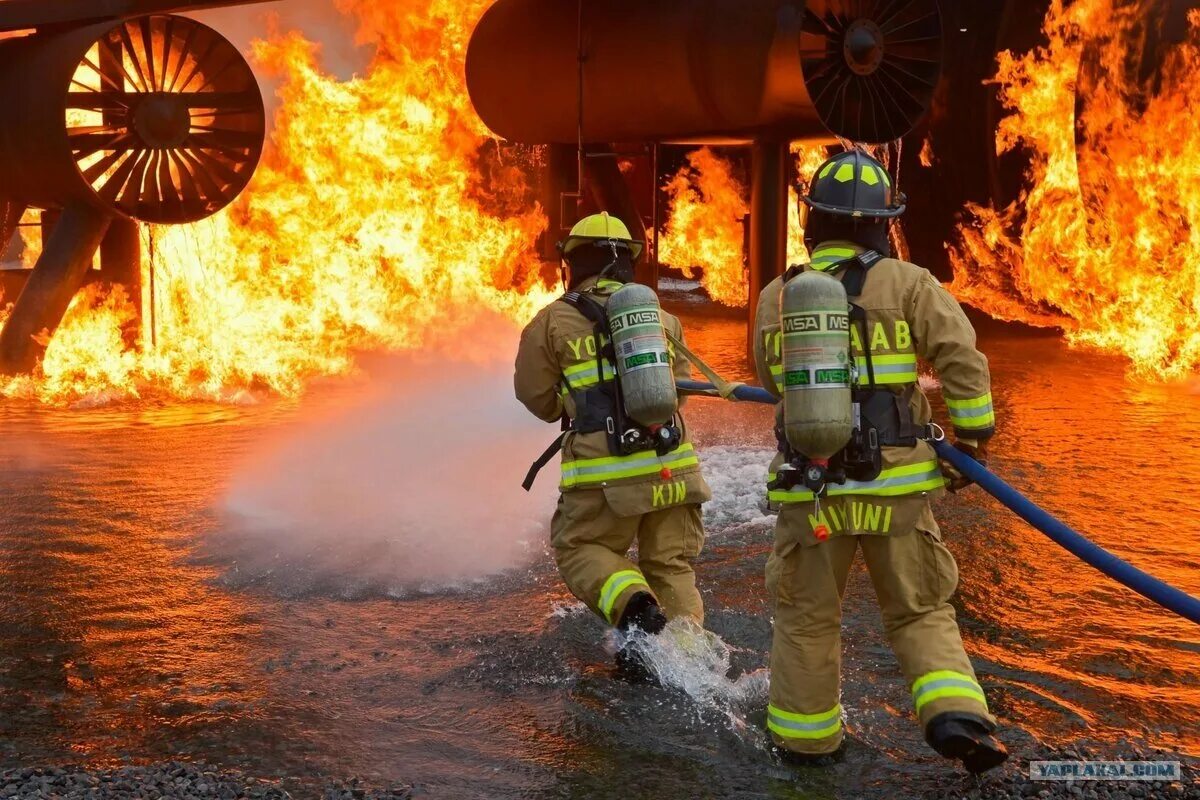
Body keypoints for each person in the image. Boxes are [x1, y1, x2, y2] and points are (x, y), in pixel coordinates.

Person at [753, 149, 1007, 773]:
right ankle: (957, 719)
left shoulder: (777, 295)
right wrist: (971, 441)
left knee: (809, 621)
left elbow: (770, 377)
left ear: (814, 222)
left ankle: (807, 747)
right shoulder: (912, 283)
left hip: (812, 493)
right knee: (919, 608)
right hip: (895, 492)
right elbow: (962, 362)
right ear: (881, 223)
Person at [515, 212, 711, 661]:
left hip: (606, 476)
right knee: (670, 565)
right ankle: (689, 663)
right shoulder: (662, 320)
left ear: (574, 263)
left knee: (582, 547)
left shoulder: (551, 322)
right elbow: (676, 395)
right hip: (672, 468)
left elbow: (537, 399)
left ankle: (636, 610)